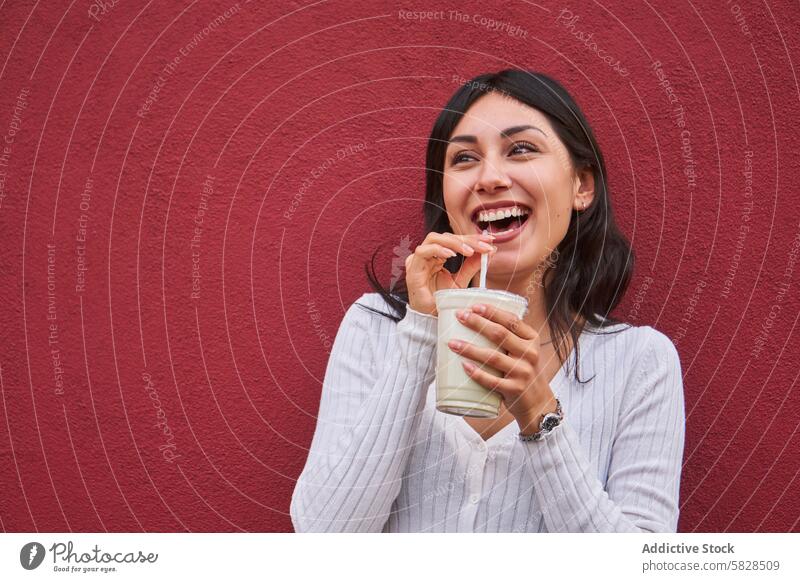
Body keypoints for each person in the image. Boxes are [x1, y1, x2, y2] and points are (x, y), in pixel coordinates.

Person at [290, 69, 685, 533]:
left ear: (582, 186)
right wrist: (420, 333)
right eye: (464, 159)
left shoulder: (640, 362)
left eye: (521, 149)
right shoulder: (375, 328)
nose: (490, 178)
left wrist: (539, 414)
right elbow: (324, 536)